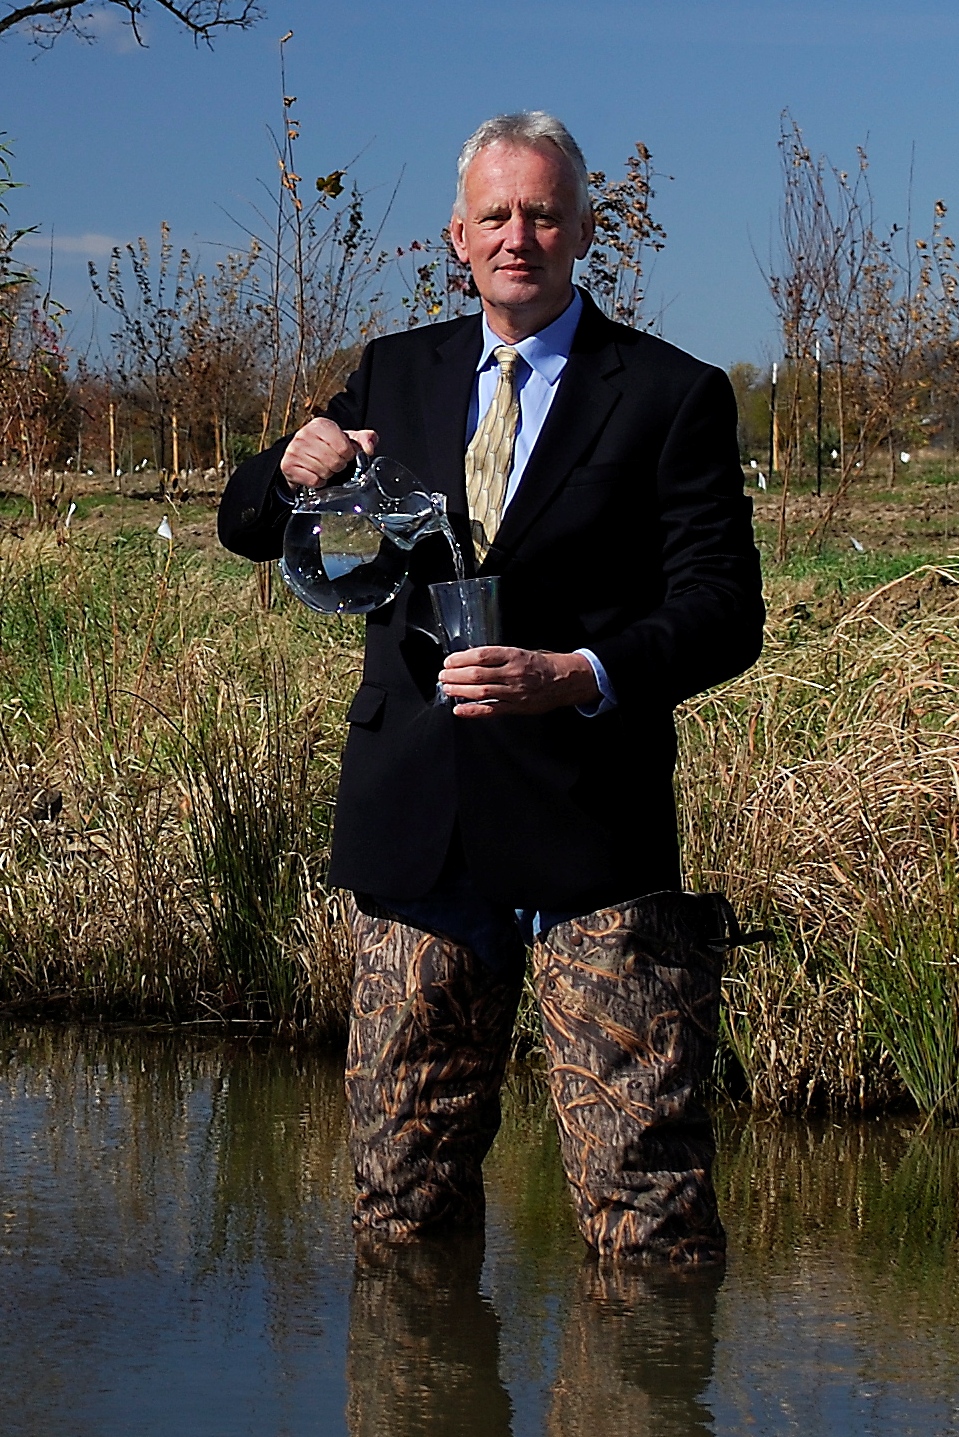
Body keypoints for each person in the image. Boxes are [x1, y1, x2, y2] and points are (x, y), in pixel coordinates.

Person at [219, 112, 764, 1264]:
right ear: (456, 237)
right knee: (398, 1211)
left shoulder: (671, 394)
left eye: (543, 213)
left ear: (580, 231)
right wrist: (292, 463)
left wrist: (582, 675)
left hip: (591, 840)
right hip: (416, 833)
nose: (518, 236)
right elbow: (248, 523)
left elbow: (724, 610)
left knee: (647, 1220)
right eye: (495, 216)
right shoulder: (392, 371)